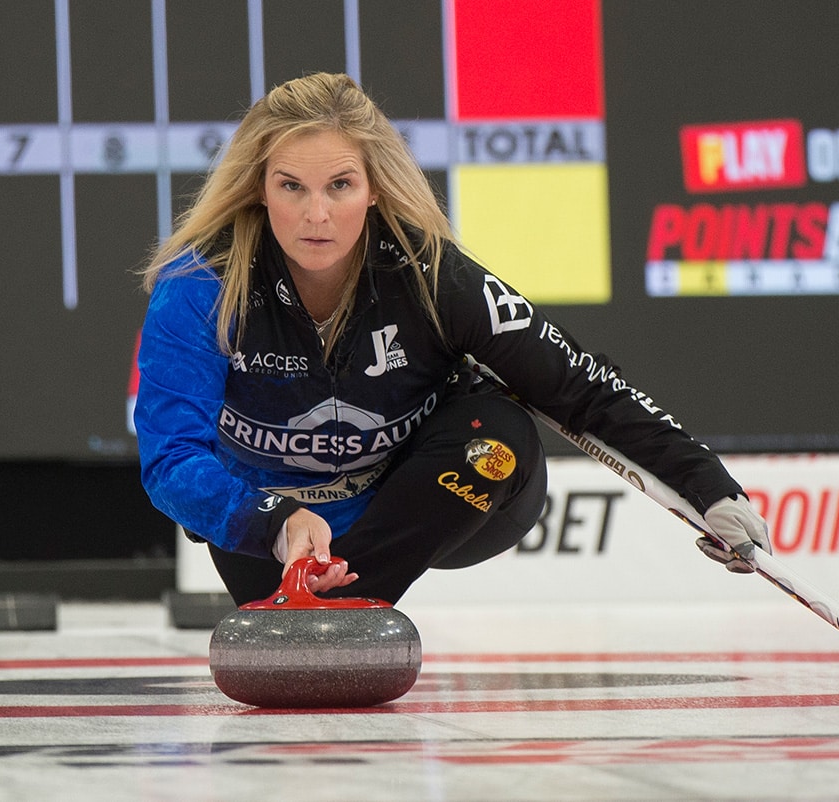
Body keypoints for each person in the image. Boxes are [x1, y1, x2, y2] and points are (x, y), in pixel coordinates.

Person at [134, 72, 770, 607]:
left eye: (340, 185)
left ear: (374, 186)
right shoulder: (198, 283)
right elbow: (170, 461)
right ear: (259, 188)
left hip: (428, 508)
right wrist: (271, 523)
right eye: (291, 186)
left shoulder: (433, 273)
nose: (316, 215)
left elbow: (579, 386)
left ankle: (347, 605)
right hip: (271, 533)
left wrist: (706, 484)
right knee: (220, 496)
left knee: (500, 428)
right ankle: (312, 600)